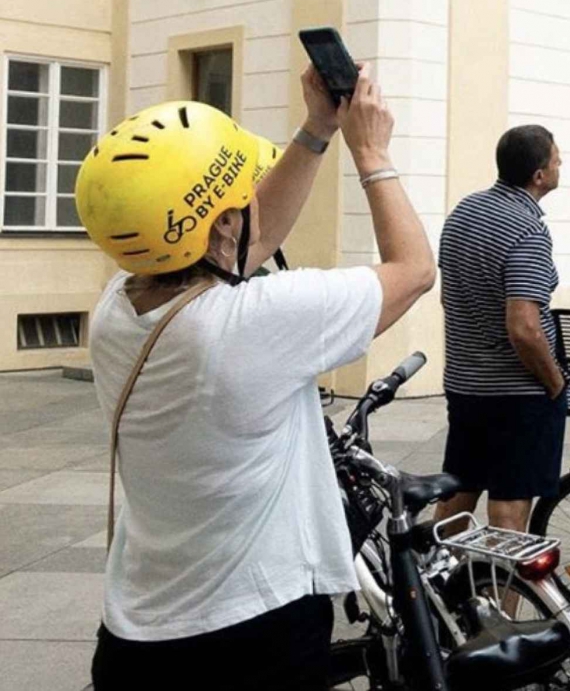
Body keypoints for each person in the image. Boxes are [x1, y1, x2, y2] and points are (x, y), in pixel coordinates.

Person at [80, 68, 436, 688]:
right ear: (220, 225)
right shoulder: (251, 323)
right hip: (252, 634)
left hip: (135, 636)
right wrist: (370, 151)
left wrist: (317, 129)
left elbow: (246, 237)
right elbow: (412, 270)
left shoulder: (115, 311)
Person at [435, 125, 567, 536]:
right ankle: (497, 601)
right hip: (516, 395)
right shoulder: (527, 229)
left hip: (465, 384)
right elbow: (524, 327)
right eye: (557, 159)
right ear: (539, 175)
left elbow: (449, 297)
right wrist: (555, 381)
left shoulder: (464, 212)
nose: (561, 164)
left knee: (458, 492)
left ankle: (434, 592)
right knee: (509, 511)